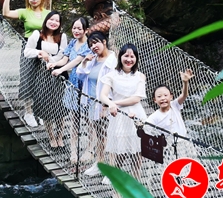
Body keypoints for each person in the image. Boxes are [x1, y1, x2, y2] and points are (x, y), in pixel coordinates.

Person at [145, 69, 195, 198]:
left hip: (183, 147)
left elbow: (184, 95)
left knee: (184, 179)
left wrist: (185, 82)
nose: (163, 98)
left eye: (165, 95)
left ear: (171, 97)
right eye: (159, 96)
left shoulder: (175, 106)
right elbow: (146, 131)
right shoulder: (154, 117)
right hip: (167, 150)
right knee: (169, 179)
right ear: (154, 100)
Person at [99, 43, 147, 186]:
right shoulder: (111, 75)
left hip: (136, 115)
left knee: (138, 150)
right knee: (120, 150)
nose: (129, 59)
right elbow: (103, 95)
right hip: (119, 116)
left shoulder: (140, 76)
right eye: (126, 56)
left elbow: (136, 98)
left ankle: (136, 178)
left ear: (136, 59)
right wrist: (110, 103)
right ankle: (116, 176)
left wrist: (114, 103)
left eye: (132, 56)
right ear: (120, 57)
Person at [46, 17, 91, 166]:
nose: (76, 31)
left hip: (85, 84)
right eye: (74, 28)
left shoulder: (89, 44)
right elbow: (64, 60)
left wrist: (60, 70)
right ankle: (73, 152)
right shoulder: (72, 42)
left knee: (89, 120)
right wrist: (53, 64)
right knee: (74, 118)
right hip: (73, 83)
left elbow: (76, 61)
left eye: (79, 28)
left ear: (86, 30)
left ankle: (89, 149)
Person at [2, 0, 47, 127]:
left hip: (45, 47)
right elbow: (6, 13)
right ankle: (28, 112)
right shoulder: (25, 12)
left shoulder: (48, 13)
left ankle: (40, 112)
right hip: (28, 46)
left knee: (42, 80)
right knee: (28, 77)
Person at [24, 11, 68, 148]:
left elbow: (63, 54)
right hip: (42, 75)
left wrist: (50, 61)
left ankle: (59, 136)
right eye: (51, 19)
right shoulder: (37, 34)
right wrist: (40, 52)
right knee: (46, 107)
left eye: (57, 21)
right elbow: (27, 51)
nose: (54, 22)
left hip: (58, 74)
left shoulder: (62, 37)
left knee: (60, 107)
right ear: (46, 20)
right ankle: (51, 137)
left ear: (60, 24)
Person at [76, 31, 117, 175]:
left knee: (109, 136)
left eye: (96, 42)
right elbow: (80, 74)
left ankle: (111, 169)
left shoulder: (113, 61)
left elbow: (115, 85)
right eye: (91, 44)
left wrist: (107, 105)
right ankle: (99, 163)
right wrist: (85, 61)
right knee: (100, 135)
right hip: (93, 103)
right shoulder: (93, 59)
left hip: (106, 105)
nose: (93, 46)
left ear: (104, 42)